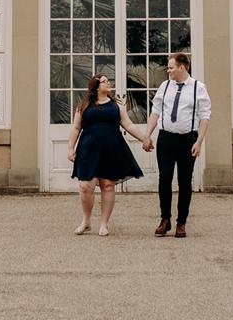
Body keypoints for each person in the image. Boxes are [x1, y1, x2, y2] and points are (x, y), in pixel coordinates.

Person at [67, 73, 147, 236]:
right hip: (88, 150)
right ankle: (86, 221)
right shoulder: (83, 105)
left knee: (108, 185)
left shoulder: (117, 106)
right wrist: (70, 148)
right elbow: (76, 128)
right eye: (104, 81)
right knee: (85, 186)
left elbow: (129, 125)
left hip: (111, 149)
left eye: (108, 81)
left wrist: (144, 139)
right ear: (96, 86)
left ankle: (104, 224)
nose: (108, 83)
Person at [144, 51, 210, 238]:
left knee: (185, 181)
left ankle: (181, 223)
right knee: (164, 179)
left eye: (171, 67)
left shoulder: (198, 88)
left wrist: (199, 142)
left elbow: (205, 117)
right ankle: (165, 220)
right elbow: (155, 112)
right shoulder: (165, 86)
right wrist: (147, 135)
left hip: (187, 140)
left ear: (182, 67)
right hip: (166, 139)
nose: (168, 71)